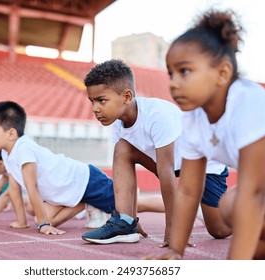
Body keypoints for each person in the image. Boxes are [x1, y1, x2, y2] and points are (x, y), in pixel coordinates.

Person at [147, 9, 265, 260]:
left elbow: (254, 195)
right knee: (228, 206)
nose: (173, 83)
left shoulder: (249, 103)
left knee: (243, 206)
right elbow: (188, 191)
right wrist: (175, 249)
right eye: (170, 73)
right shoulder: (193, 119)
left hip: (264, 188)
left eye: (184, 71)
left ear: (223, 73)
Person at [81, 59, 230, 246]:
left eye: (101, 100)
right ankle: (125, 224)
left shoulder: (157, 115)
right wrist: (132, 217)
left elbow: (165, 173)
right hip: (171, 165)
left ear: (127, 96)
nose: (95, 108)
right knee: (122, 148)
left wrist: (173, 229)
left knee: (219, 231)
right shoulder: (118, 123)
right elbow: (134, 173)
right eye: (92, 101)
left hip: (203, 165)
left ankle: (241, 204)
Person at [0, 101, 115, 235]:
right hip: (67, 188)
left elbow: (32, 187)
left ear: (11, 134)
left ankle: (90, 200)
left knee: (128, 204)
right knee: (32, 210)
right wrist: (22, 222)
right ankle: (83, 202)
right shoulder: (6, 153)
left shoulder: (24, 149)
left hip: (84, 179)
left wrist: (43, 224)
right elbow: (14, 189)